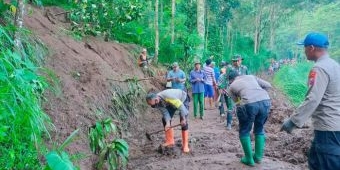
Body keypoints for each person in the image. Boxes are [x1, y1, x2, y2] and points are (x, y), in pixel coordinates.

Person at [281, 32, 340, 170]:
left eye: (305, 47)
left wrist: (293, 121)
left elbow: (313, 99)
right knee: (315, 161)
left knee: (326, 163)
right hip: (335, 126)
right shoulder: (335, 65)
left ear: (312, 48)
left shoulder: (319, 68)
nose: (304, 51)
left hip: (328, 129)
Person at [227, 71, 272, 166]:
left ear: (230, 80)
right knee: (259, 129)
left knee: (244, 131)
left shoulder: (231, 86)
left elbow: (237, 101)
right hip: (265, 101)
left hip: (249, 104)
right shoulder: (251, 77)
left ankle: (249, 159)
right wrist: (259, 93)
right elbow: (268, 85)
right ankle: (258, 157)